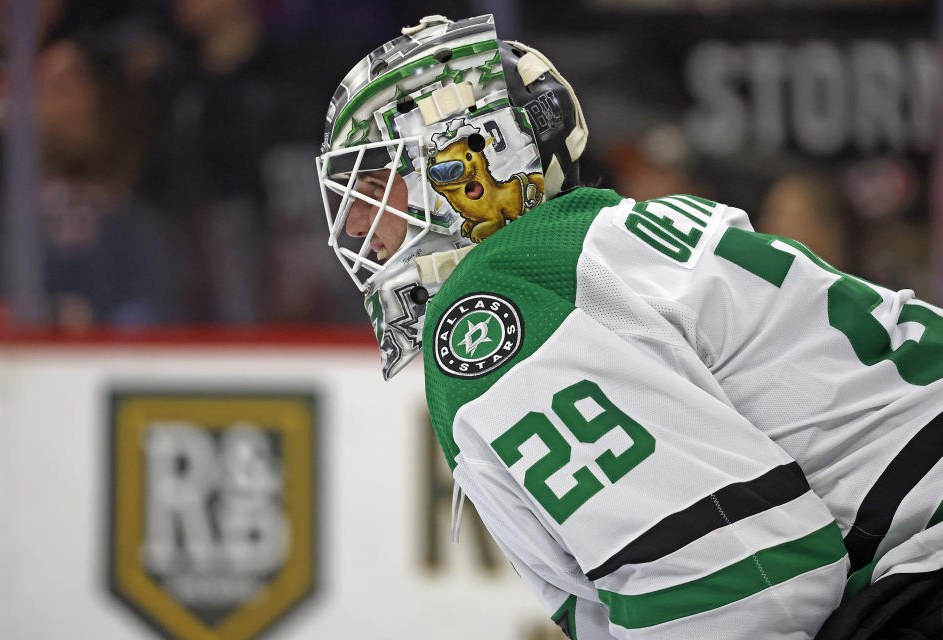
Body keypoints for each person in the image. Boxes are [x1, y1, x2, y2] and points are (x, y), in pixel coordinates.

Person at [315, 15, 943, 639]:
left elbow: (746, 582)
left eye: (375, 188)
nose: (354, 230)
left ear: (469, 160)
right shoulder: (594, 246)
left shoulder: (499, 301)